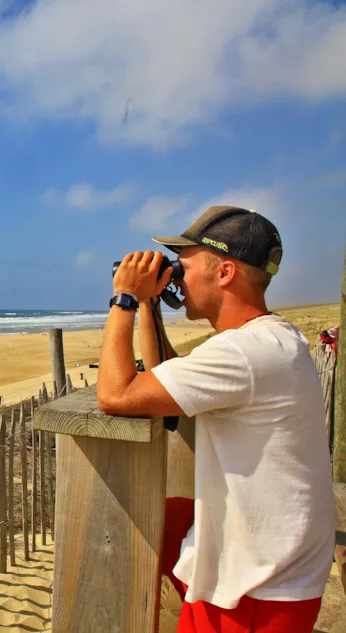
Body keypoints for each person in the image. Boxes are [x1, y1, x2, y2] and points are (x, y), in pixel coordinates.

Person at [96, 206, 333, 632]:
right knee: (161, 516)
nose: (177, 277)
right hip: (280, 565)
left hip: (254, 591)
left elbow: (116, 395)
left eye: (182, 265)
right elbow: (163, 374)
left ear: (224, 273)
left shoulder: (242, 354)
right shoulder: (274, 337)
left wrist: (125, 298)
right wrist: (151, 304)